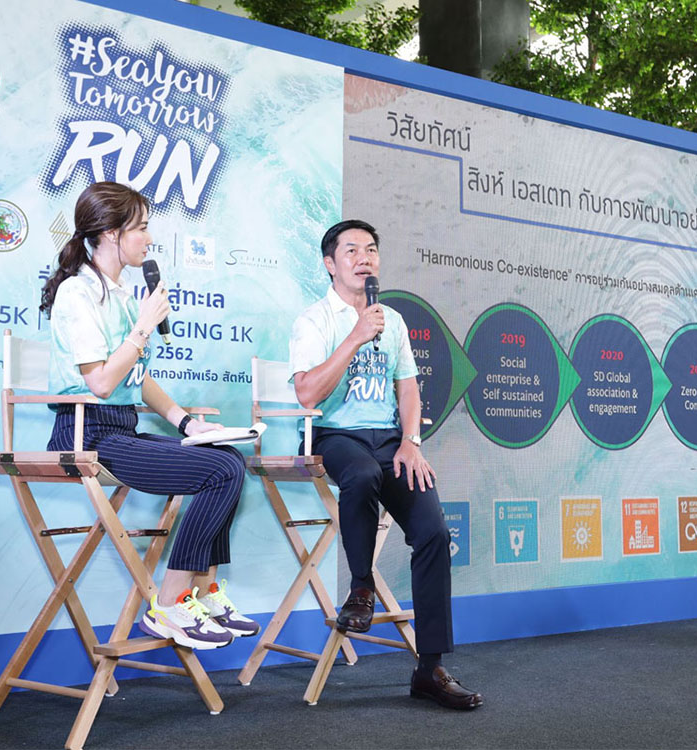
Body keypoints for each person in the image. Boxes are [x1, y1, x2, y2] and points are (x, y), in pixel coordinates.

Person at [40, 181, 258, 650]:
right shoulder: (78, 293)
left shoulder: (120, 294)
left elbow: (136, 379)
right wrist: (142, 327)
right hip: (84, 434)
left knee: (229, 459)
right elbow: (101, 383)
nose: (149, 238)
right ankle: (171, 604)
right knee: (220, 471)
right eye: (140, 228)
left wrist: (187, 423)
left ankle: (204, 592)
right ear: (110, 233)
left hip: (121, 428)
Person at [288, 219, 483, 710]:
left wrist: (411, 442)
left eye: (371, 250)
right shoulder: (314, 321)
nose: (364, 258)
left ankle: (429, 669)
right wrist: (354, 337)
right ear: (330, 264)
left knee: (434, 532)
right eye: (351, 250)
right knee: (361, 474)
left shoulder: (391, 320)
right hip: (336, 435)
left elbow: (408, 387)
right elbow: (307, 394)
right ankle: (361, 588)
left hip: (390, 441)